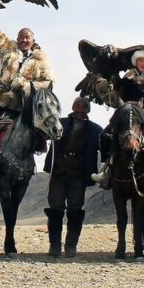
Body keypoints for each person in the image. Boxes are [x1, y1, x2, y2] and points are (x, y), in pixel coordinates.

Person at [0, 1, 55, 166]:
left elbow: (48, 83)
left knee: (43, 129)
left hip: (24, 104)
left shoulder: (41, 60)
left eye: (27, 37)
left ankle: (29, 165)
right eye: (21, 37)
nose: (24, 40)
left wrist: (27, 87)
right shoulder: (7, 51)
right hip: (1, 99)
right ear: (17, 39)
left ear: (33, 40)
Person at [90, 49, 144, 188]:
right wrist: (105, 86)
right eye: (140, 60)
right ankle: (105, 171)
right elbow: (116, 96)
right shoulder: (126, 80)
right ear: (135, 62)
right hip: (125, 113)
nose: (143, 63)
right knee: (104, 136)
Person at [43, 96, 102, 257]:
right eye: (77, 105)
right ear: (72, 106)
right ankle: (54, 246)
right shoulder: (60, 122)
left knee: (75, 209)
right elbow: (42, 134)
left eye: (84, 106)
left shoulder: (95, 129)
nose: (80, 109)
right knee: (55, 208)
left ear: (88, 109)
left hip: (79, 173)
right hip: (58, 171)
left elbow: (107, 146)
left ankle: (71, 247)